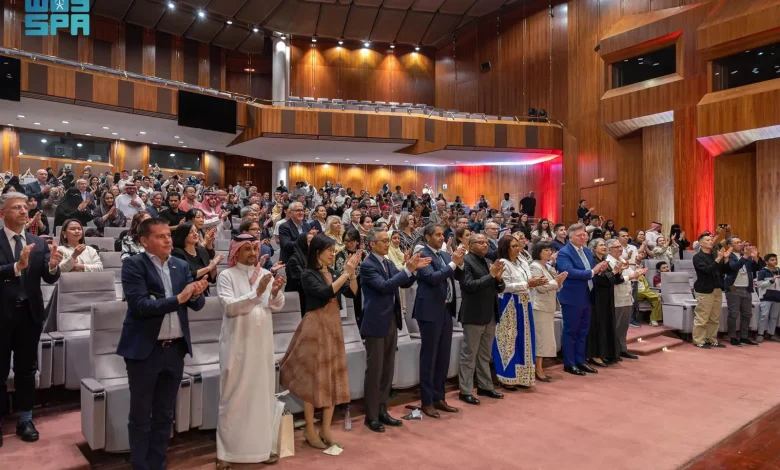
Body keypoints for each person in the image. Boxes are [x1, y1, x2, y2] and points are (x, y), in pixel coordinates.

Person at [117, 218, 208, 470]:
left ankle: (158, 463)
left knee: (165, 414)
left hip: (175, 349)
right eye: (160, 236)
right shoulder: (133, 265)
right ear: (144, 241)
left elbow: (196, 305)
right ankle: (140, 465)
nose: (168, 240)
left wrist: (196, 294)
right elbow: (140, 306)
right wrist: (179, 298)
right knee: (140, 414)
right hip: (145, 351)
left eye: (168, 235)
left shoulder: (180, 265)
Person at [279, 234, 360, 449]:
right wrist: (345, 274)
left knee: (331, 377)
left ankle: (325, 429)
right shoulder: (308, 274)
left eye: (334, 250)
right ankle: (309, 429)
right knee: (313, 379)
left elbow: (352, 293)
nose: (333, 254)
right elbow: (325, 293)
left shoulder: (333, 273)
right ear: (317, 252)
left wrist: (352, 275)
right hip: (315, 328)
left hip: (333, 326)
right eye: (329, 250)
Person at [215, 234, 286, 467]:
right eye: (247, 249)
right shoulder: (226, 276)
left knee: (262, 396)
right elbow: (230, 307)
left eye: (254, 249)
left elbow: (276, 305)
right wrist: (257, 293)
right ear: (236, 252)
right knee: (233, 397)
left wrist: (273, 292)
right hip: (237, 345)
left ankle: (262, 450)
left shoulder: (265, 274)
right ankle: (226, 454)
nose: (253, 253)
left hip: (262, 345)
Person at [0, 192, 63, 446]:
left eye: (25, 207)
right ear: (2, 213)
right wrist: (16, 267)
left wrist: (53, 265)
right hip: (2, 315)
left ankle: (25, 419)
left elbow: (49, 277)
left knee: (26, 370)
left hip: (30, 315)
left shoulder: (37, 242)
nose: (24, 211)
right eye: (16, 207)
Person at [360, 230, 427, 432]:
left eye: (388, 240)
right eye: (383, 240)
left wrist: (413, 271)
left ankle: (382, 410)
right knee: (375, 371)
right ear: (372, 244)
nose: (387, 243)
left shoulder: (387, 263)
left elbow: (403, 282)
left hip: (391, 319)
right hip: (375, 322)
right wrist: (407, 270)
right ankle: (371, 416)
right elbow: (384, 286)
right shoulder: (367, 265)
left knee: (387, 369)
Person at [413, 224, 466, 418]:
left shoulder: (444, 254)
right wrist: (453, 264)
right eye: (437, 235)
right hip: (429, 311)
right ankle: (426, 401)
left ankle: (439, 397)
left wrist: (459, 263)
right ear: (427, 237)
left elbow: (458, 275)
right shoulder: (422, 254)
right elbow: (433, 278)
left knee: (443, 357)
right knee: (429, 357)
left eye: (442, 234)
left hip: (446, 310)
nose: (441, 237)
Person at [457, 233, 505, 405]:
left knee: (485, 354)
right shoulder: (466, 262)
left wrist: (498, 279)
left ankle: (485, 386)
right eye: (480, 242)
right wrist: (491, 276)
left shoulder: (487, 261)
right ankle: (465, 390)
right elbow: (468, 286)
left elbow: (500, 288)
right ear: (470, 245)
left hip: (490, 313)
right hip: (474, 314)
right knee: (469, 354)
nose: (485, 245)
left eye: (486, 243)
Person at [492, 235, 545, 389]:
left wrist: (536, 282)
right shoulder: (502, 263)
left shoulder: (522, 261)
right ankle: (507, 377)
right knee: (508, 341)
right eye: (514, 246)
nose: (518, 248)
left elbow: (528, 280)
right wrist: (527, 284)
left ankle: (522, 377)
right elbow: (504, 287)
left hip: (524, 303)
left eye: (518, 245)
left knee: (524, 340)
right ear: (505, 248)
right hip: (509, 304)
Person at [556, 224, 609, 375]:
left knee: (583, 331)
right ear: (570, 236)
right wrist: (593, 271)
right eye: (580, 235)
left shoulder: (586, 251)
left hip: (587, 294)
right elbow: (569, 272)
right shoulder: (564, 252)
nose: (583, 237)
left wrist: (599, 270)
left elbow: (592, 271)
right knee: (571, 331)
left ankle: (580, 360)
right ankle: (569, 363)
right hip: (572, 296)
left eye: (584, 235)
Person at [529, 241, 566, 382]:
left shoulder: (548, 267)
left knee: (545, 338)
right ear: (538, 252)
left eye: (550, 250)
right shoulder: (535, 266)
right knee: (541, 338)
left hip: (548, 306)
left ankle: (539, 367)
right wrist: (556, 281)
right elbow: (540, 288)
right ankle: (538, 368)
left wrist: (559, 281)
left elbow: (556, 286)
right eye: (546, 250)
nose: (549, 252)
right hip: (539, 307)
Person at [692, 232, 730, 348]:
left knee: (714, 317)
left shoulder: (714, 254)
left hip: (717, 288)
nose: (710, 241)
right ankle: (699, 340)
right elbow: (707, 270)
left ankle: (711, 339)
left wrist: (725, 259)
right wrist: (718, 259)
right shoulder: (698, 257)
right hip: (705, 290)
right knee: (702, 317)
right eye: (707, 240)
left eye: (711, 240)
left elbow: (724, 271)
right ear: (700, 243)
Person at [723, 236, 761, 346]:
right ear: (730, 245)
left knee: (747, 314)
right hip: (733, 287)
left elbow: (757, 268)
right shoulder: (728, 256)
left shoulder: (746, 256)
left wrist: (755, 258)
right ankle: (732, 337)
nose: (740, 244)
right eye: (737, 242)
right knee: (733, 314)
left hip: (747, 288)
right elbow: (733, 267)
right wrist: (745, 256)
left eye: (740, 242)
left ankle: (744, 337)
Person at [172, 222, 223, 295]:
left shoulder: (202, 251)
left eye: (196, 231)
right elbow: (186, 275)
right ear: (183, 235)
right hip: (185, 292)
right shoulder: (176, 253)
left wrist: (214, 266)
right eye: (191, 232)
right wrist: (209, 267)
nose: (195, 234)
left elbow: (210, 278)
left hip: (203, 292)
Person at [285, 233, 312, 316]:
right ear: (303, 243)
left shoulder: (312, 257)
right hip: (299, 297)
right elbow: (300, 280)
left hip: (310, 295)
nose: (313, 244)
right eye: (310, 242)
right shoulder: (294, 260)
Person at [756, 253, 780, 343]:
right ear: (766, 262)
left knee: (774, 317)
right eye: (772, 260)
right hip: (766, 297)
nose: (775, 261)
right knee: (764, 316)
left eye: (775, 259)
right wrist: (771, 280)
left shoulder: (778, 271)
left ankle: (771, 334)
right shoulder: (763, 272)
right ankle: (760, 334)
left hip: (777, 296)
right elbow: (759, 284)